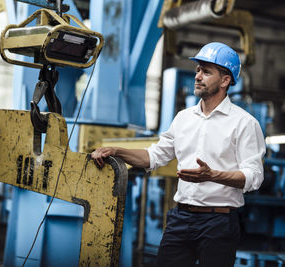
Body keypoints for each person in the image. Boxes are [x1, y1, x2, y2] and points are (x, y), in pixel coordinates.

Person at [91, 42, 266, 267]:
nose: (198, 76)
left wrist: (213, 175)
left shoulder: (244, 123)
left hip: (219, 222)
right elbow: (153, 157)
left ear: (225, 80)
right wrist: (117, 151)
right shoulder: (184, 118)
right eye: (198, 70)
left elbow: (254, 176)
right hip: (180, 219)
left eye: (206, 71)